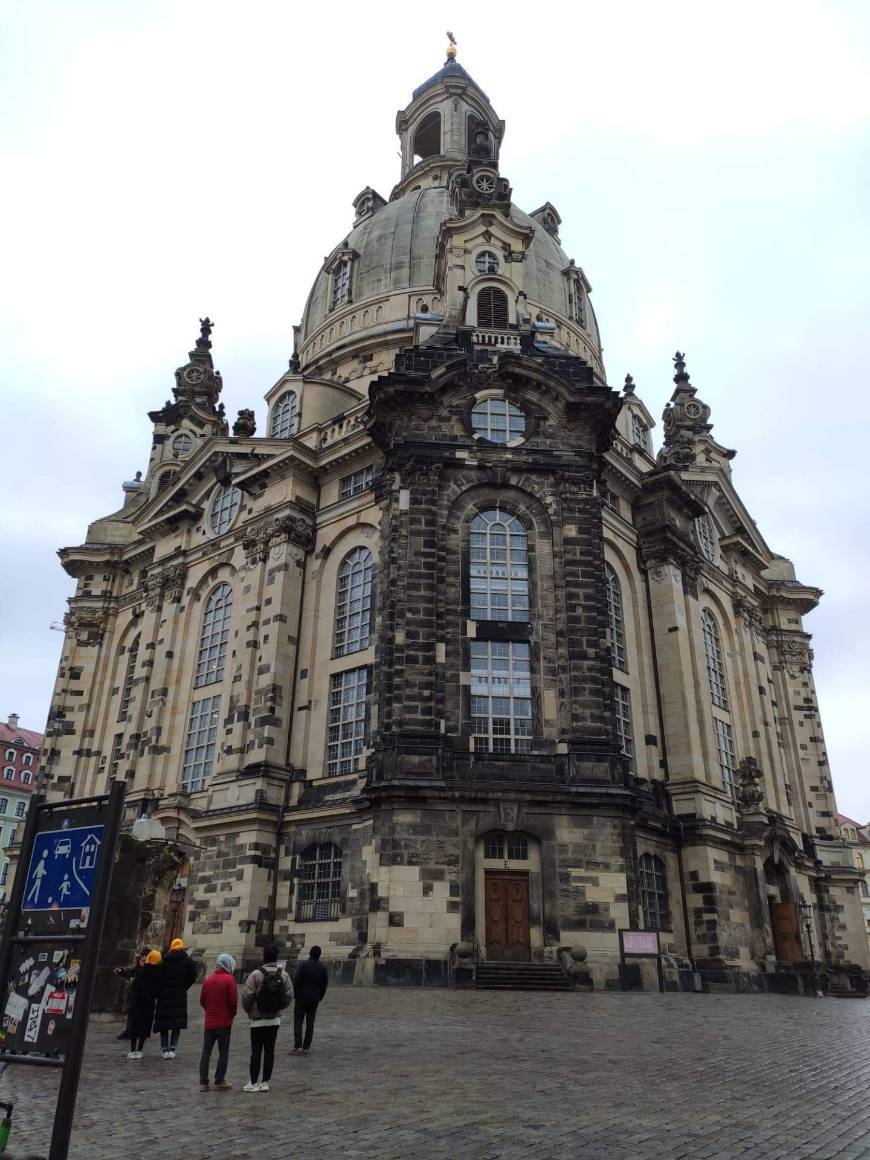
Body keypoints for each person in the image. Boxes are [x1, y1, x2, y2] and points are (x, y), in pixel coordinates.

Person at [240, 945, 293, 1092]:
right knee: (270, 1050)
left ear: (264, 956)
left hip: (257, 1019)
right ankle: (265, 1082)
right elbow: (289, 995)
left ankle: (253, 1081)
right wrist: (278, 1007)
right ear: (276, 957)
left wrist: (250, 1011)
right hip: (274, 1019)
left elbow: (246, 996)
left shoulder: (256, 974)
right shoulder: (283, 975)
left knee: (256, 1051)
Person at [198, 953, 237, 1092]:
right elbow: (233, 1002)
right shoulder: (229, 980)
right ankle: (219, 1080)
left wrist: (209, 1011)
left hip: (209, 1023)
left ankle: (203, 1082)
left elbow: (202, 1000)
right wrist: (231, 1015)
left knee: (206, 1052)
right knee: (223, 1052)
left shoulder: (208, 980)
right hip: (224, 1023)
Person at [154, 937, 197, 1058]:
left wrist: (160, 991)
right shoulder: (187, 961)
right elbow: (193, 975)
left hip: (165, 996)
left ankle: (164, 1049)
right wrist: (184, 986)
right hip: (179, 995)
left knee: (164, 1023)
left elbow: (158, 978)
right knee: (176, 1023)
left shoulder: (164, 961)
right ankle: (172, 1048)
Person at [126, 950, 162, 1059]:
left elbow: (134, 986)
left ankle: (132, 1050)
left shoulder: (141, 971)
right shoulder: (157, 974)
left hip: (137, 1002)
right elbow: (157, 991)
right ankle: (140, 1050)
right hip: (149, 1004)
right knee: (144, 1027)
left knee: (135, 1025)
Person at [292, 945, 328, 1054]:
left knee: (298, 1021)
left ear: (310, 953)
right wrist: (319, 997)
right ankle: (306, 1046)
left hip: (302, 997)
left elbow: (297, 981)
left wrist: (296, 995)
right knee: (310, 1022)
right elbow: (324, 985)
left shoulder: (304, 965)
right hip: (314, 998)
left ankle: (298, 1046)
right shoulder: (322, 968)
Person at [114, 947, 151, 1040]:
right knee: (132, 1013)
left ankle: (141, 1031)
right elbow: (130, 971)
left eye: (146, 956)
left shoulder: (151, 967)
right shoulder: (137, 966)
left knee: (142, 1014)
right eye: (143, 956)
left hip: (145, 995)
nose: (144, 958)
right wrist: (121, 970)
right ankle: (129, 1031)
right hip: (134, 994)